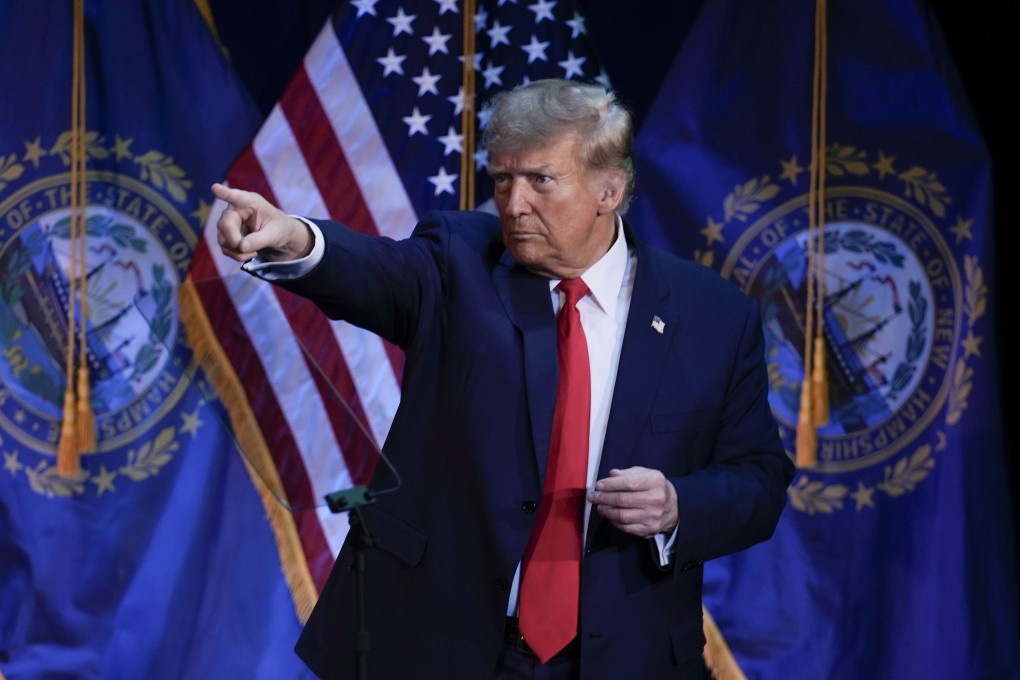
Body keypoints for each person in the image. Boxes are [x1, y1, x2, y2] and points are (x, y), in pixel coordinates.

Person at [213, 78, 794, 680]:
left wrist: (678, 506)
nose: (514, 205)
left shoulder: (712, 317)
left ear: (608, 191)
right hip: (444, 647)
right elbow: (374, 272)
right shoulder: (457, 259)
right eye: (502, 180)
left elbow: (759, 481)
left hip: (623, 655)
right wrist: (295, 240)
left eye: (540, 180)